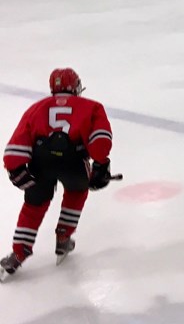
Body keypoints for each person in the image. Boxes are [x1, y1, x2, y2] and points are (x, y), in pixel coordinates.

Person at [0, 68, 113, 280]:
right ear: (76, 86)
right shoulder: (91, 106)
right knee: (76, 193)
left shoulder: (36, 108)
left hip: (40, 163)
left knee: (33, 207)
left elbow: (19, 141)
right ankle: (63, 236)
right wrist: (101, 164)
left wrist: (15, 166)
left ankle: (18, 253)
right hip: (74, 163)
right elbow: (100, 139)